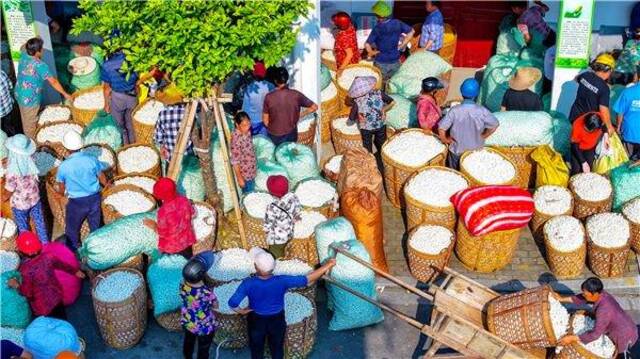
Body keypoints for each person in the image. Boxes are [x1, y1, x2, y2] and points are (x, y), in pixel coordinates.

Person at [228, 248, 336, 359]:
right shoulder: (282, 280)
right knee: (277, 348)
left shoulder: (248, 283)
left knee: (256, 349)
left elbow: (232, 303)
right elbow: (308, 279)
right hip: (277, 320)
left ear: (255, 267)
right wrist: (328, 265)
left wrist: (242, 311)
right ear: (274, 267)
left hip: (256, 320)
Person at [7, 232, 85, 319]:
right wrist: (75, 271)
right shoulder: (48, 257)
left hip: (42, 308)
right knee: (61, 320)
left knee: (48, 326)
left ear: (23, 252)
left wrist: (16, 285)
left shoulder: (25, 271)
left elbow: (28, 293)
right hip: (57, 298)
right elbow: (62, 265)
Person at [555, 277, 638, 357]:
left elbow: (595, 335)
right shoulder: (601, 293)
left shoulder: (603, 310)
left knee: (621, 353)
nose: (583, 295)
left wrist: (572, 338)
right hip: (625, 322)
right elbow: (581, 298)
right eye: (583, 292)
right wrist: (561, 299)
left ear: (594, 294)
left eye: (585, 293)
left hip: (624, 334)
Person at [55, 130, 108, 250]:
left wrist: (61, 194)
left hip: (76, 203)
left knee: (72, 229)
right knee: (95, 227)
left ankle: (75, 250)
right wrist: (107, 186)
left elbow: (61, 185)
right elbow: (101, 177)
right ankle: (97, 248)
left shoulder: (64, 166)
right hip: (94, 199)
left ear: (66, 147)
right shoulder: (91, 159)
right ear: (81, 145)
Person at [14, 37, 71, 138]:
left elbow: (23, 45)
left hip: (19, 92)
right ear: (37, 52)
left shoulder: (24, 53)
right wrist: (65, 94)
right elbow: (53, 81)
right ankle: (32, 144)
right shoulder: (40, 65)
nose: (43, 50)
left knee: (24, 115)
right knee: (29, 125)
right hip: (29, 99)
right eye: (42, 48)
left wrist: (37, 39)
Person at [438, 78, 499, 169]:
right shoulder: (482, 111)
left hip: (456, 151)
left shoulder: (454, 111)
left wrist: (445, 140)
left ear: (461, 93)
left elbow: (441, 128)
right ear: (477, 94)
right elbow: (495, 125)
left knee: (455, 173)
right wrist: (484, 135)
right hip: (474, 152)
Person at [3, 134, 48, 244]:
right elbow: (21, 160)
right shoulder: (31, 160)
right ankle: (45, 244)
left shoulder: (12, 172)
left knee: (23, 228)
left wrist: (3, 197)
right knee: (40, 223)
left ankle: (28, 248)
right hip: (35, 199)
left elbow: (8, 191)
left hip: (20, 205)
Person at [262, 67, 317, 146]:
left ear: (275, 80)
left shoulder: (269, 97)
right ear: (287, 78)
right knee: (290, 153)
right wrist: (300, 115)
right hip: (291, 132)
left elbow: (265, 120)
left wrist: (274, 127)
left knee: (277, 154)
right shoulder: (296, 94)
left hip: (275, 135)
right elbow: (314, 107)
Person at [347, 76, 395, 167]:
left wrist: (357, 117)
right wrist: (384, 109)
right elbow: (392, 102)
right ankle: (383, 160)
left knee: (367, 144)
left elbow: (351, 118)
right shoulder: (379, 93)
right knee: (381, 141)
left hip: (366, 128)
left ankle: (370, 162)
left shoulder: (357, 101)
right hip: (380, 124)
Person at [144, 177, 196, 258]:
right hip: (186, 241)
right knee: (186, 260)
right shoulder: (184, 200)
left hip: (172, 247)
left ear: (158, 196)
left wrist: (153, 225)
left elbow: (162, 232)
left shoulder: (163, 212)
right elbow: (193, 212)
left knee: (172, 264)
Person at [365, 1, 414, 85]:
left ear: (379, 16)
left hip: (381, 61)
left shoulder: (377, 28)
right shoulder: (397, 23)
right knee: (394, 82)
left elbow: (367, 44)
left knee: (380, 82)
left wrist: (371, 52)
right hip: (395, 59)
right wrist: (403, 44)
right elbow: (412, 31)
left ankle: (383, 94)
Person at [180, 256, 218, 359]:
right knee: (203, 348)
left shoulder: (183, 286)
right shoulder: (206, 292)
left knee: (188, 341)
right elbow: (216, 306)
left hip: (189, 320)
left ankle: (187, 356)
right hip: (204, 325)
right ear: (203, 275)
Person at [569, 53, 615, 135]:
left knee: (573, 139)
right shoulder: (604, 88)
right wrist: (609, 126)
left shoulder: (586, 75)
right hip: (588, 123)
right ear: (609, 70)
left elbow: (576, 79)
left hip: (574, 116)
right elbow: (603, 109)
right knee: (583, 145)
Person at [101, 49, 139, 144]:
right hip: (132, 95)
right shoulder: (133, 59)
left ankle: (125, 145)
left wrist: (106, 104)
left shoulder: (107, 65)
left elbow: (107, 88)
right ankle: (133, 144)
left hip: (118, 97)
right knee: (131, 124)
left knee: (120, 125)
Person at [263, 176, 301, 258]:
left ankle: (279, 262)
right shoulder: (293, 197)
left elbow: (268, 223)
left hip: (278, 239)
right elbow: (297, 210)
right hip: (289, 232)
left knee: (276, 253)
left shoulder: (272, 207)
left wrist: (266, 230)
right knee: (285, 244)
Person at [154, 96, 193, 162]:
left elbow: (158, 138)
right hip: (187, 156)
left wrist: (162, 146)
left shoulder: (162, 114)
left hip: (170, 156)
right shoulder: (189, 112)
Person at [242, 61, 275, 136]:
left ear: (253, 74)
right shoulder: (270, 86)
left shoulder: (249, 88)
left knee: (254, 144)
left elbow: (245, 108)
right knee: (265, 143)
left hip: (253, 122)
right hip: (266, 121)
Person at [231, 112, 257, 193]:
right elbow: (235, 161)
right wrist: (240, 178)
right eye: (244, 125)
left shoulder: (247, 132)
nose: (247, 127)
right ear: (237, 125)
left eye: (249, 124)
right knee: (248, 195)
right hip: (245, 175)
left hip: (251, 171)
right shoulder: (236, 140)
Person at [614, 78, 640, 161]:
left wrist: (618, 127)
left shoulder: (627, 92)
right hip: (630, 133)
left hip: (629, 132)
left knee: (627, 162)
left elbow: (620, 112)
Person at [0, 69, 17, 136]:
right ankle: (13, 138)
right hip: (8, 108)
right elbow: (11, 86)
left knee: (2, 134)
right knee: (9, 127)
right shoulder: (2, 73)